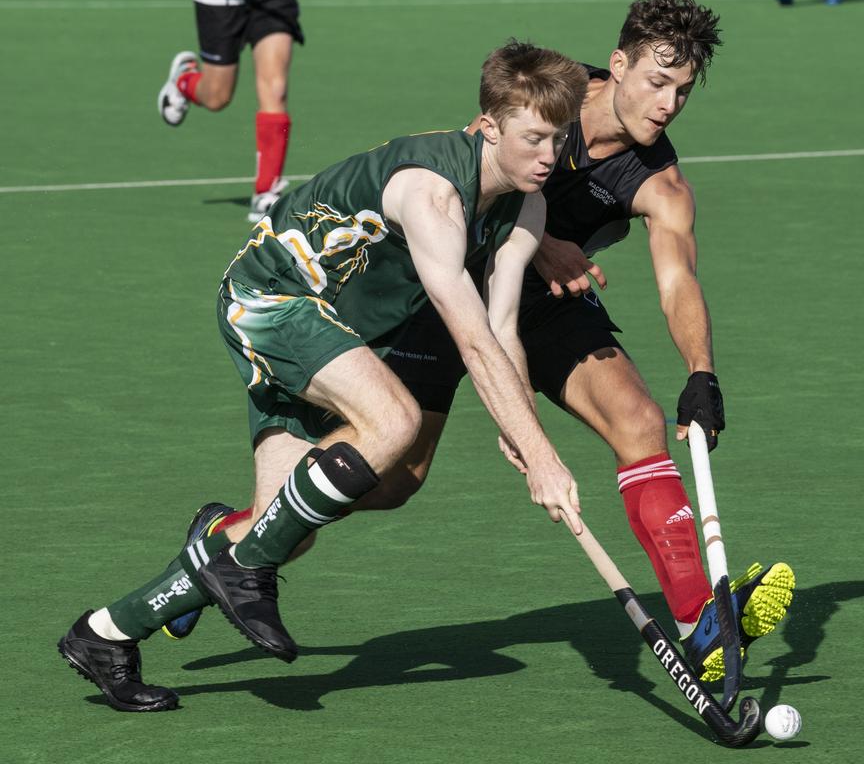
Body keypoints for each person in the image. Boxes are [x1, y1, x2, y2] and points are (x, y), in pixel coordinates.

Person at [184, 0, 796, 684]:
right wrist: (542, 245)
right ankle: (228, 541)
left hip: (549, 306)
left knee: (639, 420)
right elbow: (466, 171)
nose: (668, 105)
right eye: (657, 83)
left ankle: (699, 627)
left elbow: (677, 274)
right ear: (617, 66)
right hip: (451, 295)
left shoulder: (661, 181)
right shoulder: (549, 100)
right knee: (391, 483)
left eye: (683, 92)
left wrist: (701, 371)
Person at [57, 41, 590, 713]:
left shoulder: (526, 204)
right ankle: (242, 566)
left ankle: (105, 634)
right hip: (270, 303)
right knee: (392, 421)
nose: (548, 155)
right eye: (533, 138)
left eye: (558, 139)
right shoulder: (434, 195)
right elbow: (473, 339)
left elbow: (504, 326)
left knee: (290, 527)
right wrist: (544, 460)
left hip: (328, 335)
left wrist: (526, 435)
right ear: (488, 127)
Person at [157, 0, 303, 221]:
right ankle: (184, 80)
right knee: (217, 97)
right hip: (222, 1)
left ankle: (266, 193)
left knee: (276, 89)